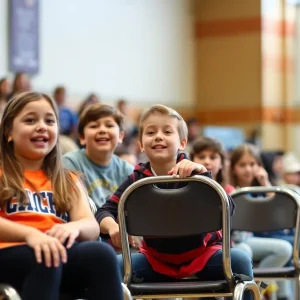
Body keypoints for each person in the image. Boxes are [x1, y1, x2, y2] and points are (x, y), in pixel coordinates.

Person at [96, 104, 254, 300]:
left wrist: (204, 176)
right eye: (151, 132)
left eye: (167, 131)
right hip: (155, 260)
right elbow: (103, 212)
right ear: (141, 144)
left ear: (182, 142)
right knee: (113, 267)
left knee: (240, 260)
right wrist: (112, 227)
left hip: (204, 256)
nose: (158, 136)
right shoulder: (136, 180)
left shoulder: (197, 174)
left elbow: (228, 209)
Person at [0, 92, 124, 300]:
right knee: (44, 256)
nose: (42, 126)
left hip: (57, 254)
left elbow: (91, 226)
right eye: (30, 120)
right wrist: (30, 235)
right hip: (11, 254)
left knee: (102, 255)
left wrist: (72, 227)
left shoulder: (67, 179)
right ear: (8, 132)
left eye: (49, 121)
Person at [230, 144, 293, 300]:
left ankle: (259, 288)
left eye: (253, 164)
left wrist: (265, 182)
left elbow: (279, 210)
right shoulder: (232, 191)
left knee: (286, 249)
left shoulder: (259, 191)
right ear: (233, 168)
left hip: (255, 237)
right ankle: (256, 290)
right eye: (242, 165)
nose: (248, 169)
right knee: (250, 251)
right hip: (239, 240)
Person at [63, 103, 133, 209]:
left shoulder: (128, 171)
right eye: (94, 126)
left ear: (120, 136)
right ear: (82, 137)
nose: (102, 130)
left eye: (109, 125)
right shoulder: (70, 163)